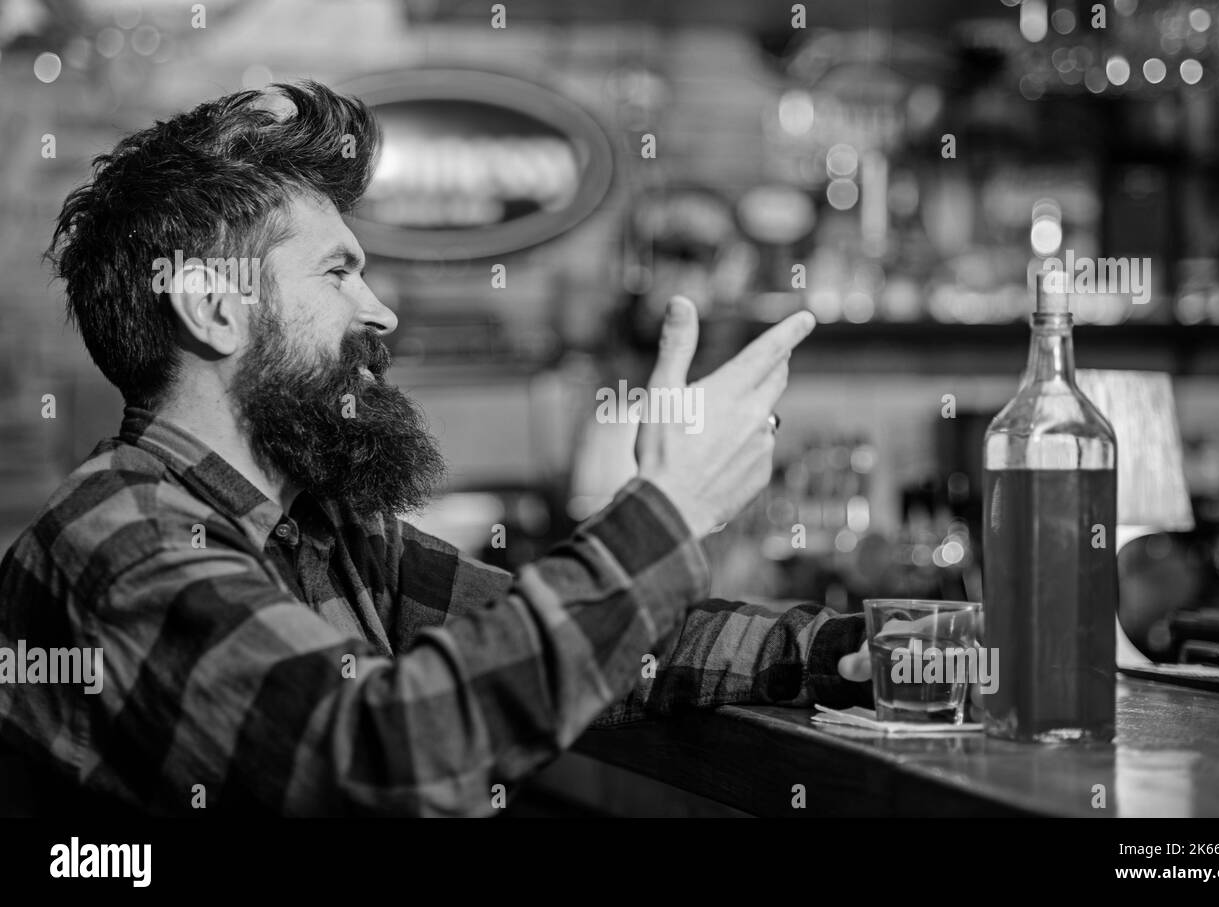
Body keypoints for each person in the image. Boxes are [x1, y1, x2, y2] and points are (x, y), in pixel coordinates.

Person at [0, 81, 874, 816]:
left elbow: (539, 629)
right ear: (213, 308)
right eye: (339, 272)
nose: (381, 311)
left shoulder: (324, 530)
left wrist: (848, 647)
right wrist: (668, 514)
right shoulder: (117, 538)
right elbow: (380, 755)